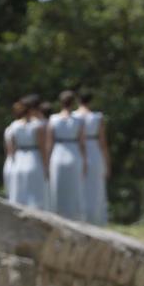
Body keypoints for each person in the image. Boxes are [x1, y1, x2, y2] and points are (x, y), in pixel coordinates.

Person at [47, 90, 86, 221]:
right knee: (74, 188)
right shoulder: (78, 120)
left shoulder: (53, 119)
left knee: (58, 188)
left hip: (57, 153)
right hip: (74, 153)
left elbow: (49, 143)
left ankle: (59, 216)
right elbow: (82, 143)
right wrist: (85, 160)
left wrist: (46, 161)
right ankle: (74, 217)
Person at [73, 90, 109, 225]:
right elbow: (103, 142)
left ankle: (80, 216)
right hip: (94, 150)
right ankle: (95, 218)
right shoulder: (97, 117)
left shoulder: (73, 117)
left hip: (76, 149)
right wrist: (106, 161)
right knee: (95, 186)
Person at [8, 94, 48, 210]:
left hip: (19, 161)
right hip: (34, 160)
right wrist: (46, 167)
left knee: (20, 193)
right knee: (36, 193)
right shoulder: (38, 125)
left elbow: (12, 149)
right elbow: (42, 149)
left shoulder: (14, 125)